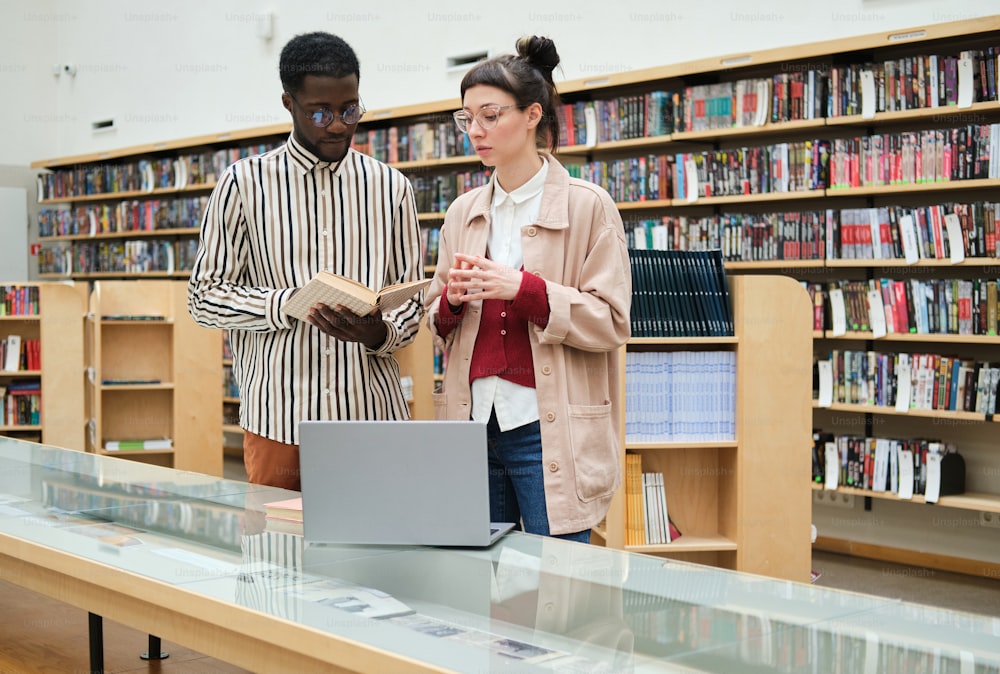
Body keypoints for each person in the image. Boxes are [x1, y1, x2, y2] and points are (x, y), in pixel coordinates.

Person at [188, 31, 424, 491]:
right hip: (280, 420)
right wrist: (289, 304)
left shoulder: (392, 187)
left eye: (350, 109)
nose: (338, 125)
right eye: (320, 112)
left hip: (372, 414)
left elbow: (411, 297)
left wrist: (381, 331)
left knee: (378, 559)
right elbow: (205, 298)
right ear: (288, 103)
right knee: (276, 557)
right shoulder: (243, 184)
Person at [425, 36, 632, 543]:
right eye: (467, 118)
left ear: (533, 114)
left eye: (491, 116)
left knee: (561, 586)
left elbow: (611, 320)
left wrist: (523, 288)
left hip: (547, 429)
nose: (476, 131)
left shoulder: (589, 206)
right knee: (476, 583)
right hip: (471, 427)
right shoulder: (462, 210)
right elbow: (436, 318)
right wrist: (451, 301)